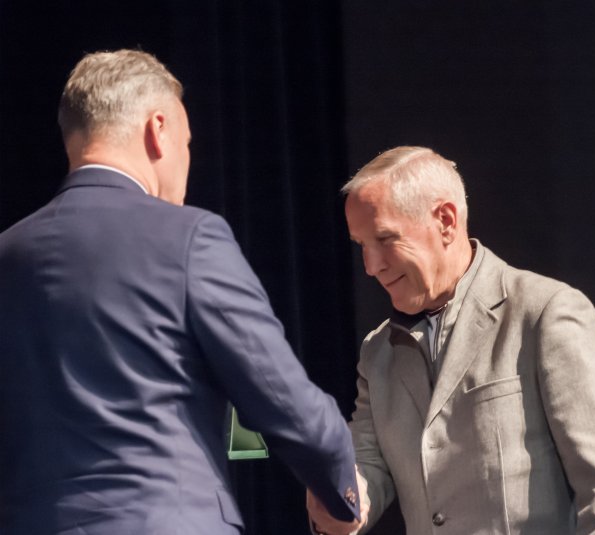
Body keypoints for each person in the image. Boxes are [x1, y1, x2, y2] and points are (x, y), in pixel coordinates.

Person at [0, 49, 362, 535]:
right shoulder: (189, 237)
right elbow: (277, 392)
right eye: (187, 143)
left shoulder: (8, 255)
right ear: (158, 129)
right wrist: (341, 488)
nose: (188, 161)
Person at [307, 146, 595, 534]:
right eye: (361, 246)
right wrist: (340, 500)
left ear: (446, 221)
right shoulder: (378, 352)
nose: (371, 266)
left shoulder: (545, 312)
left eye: (385, 238)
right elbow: (365, 467)